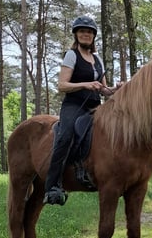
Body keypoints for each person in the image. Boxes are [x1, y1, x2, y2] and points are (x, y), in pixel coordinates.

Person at [43, 15, 119, 205]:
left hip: (95, 107)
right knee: (66, 135)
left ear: (94, 36)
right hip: (74, 105)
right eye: (82, 31)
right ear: (76, 34)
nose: (86, 34)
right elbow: (62, 85)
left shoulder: (97, 59)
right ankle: (53, 186)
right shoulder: (72, 55)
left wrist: (116, 89)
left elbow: (104, 89)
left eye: (89, 32)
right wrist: (85, 84)